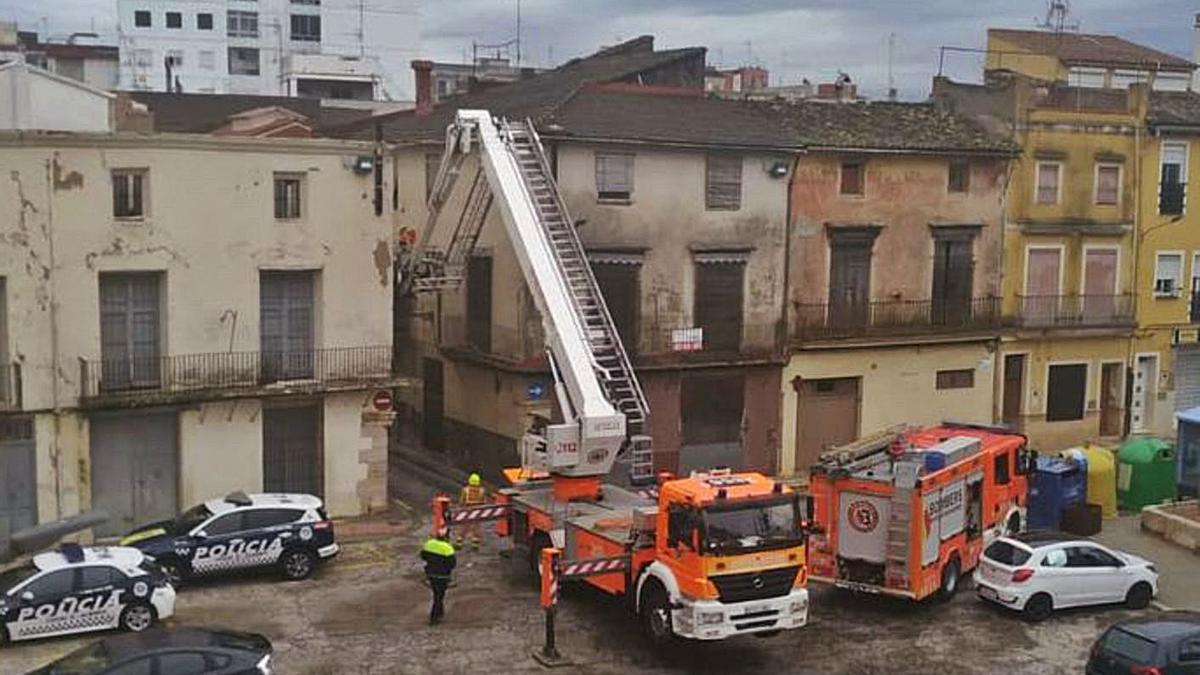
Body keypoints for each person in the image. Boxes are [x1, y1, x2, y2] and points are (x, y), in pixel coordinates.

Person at [420, 529, 456, 625]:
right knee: (439, 596)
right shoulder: (448, 548)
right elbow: (452, 564)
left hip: (430, 574)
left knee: (437, 594)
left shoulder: (429, 544)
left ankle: (440, 613)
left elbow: (423, 556)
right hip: (442, 576)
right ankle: (434, 618)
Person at [456, 473, 487, 550]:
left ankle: (459, 542)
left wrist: (460, 509)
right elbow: (484, 502)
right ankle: (475, 544)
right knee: (476, 527)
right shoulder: (482, 490)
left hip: (467, 510)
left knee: (464, 527)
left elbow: (461, 501)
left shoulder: (465, 490)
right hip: (477, 511)